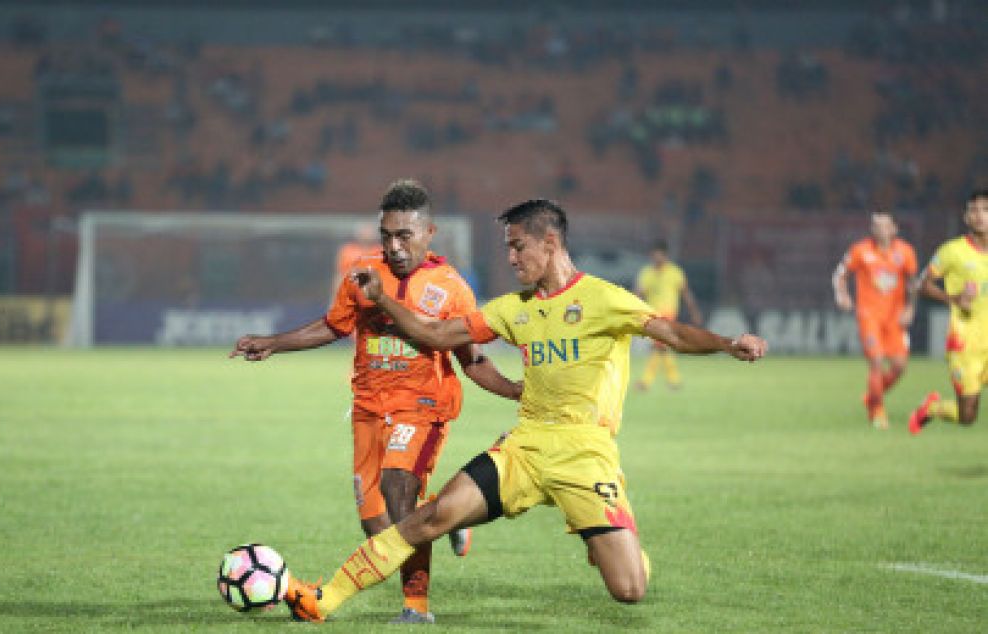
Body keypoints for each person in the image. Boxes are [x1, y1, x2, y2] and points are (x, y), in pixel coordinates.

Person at [282, 199, 768, 623]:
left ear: (550, 242)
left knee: (629, 590)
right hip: (526, 447)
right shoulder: (513, 308)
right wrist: (384, 299)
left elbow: (675, 334)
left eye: (518, 247)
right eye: (508, 248)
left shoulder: (603, 299)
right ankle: (323, 599)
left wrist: (729, 344)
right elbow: (434, 335)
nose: (511, 258)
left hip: (585, 454)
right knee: (433, 516)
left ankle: (622, 545)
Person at [230, 179, 522, 624]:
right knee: (377, 527)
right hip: (368, 409)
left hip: (423, 406)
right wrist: (274, 342)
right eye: (387, 235)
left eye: (404, 235)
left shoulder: (451, 288)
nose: (395, 245)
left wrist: (517, 390)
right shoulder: (363, 274)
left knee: (397, 487)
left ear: (429, 233)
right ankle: (450, 519)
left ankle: (416, 609)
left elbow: (472, 360)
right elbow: (333, 327)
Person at [908, 189, 988, 433]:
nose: (980, 216)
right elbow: (921, 285)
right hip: (965, 344)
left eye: (986, 210)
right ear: (966, 217)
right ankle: (932, 408)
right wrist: (953, 298)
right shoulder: (952, 251)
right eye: (974, 210)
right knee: (968, 416)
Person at [832, 210, 918, 429]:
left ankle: (872, 396)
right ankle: (877, 410)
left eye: (884, 225)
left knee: (899, 367)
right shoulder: (860, 250)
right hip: (869, 316)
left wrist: (910, 309)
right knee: (877, 361)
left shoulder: (905, 252)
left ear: (894, 228)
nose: (880, 229)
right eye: (875, 225)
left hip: (894, 318)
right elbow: (840, 274)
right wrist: (842, 295)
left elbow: (912, 284)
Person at [634, 239, 703, 391]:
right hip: (652, 316)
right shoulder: (647, 273)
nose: (657, 258)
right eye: (654, 255)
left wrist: (694, 311)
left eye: (659, 255)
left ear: (665, 256)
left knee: (659, 346)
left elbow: (685, 293)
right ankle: (673, 381)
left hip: (668, 315)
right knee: (661, 347)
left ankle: (647, 382)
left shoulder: (675, 272)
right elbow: (638, 294)